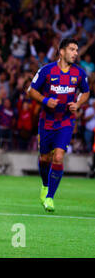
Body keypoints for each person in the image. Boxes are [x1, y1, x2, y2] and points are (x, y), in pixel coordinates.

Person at [27, 38, 90, 212]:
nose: (75, 53)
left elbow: (86, 92)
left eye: (76, 50)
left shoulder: (79, 73)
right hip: (46, 122)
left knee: (59, 157)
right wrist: (45, 100)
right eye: (72, 49)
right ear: (61, 51)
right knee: (45, 158)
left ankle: (50, 197)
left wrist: (77, 104)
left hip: (66, 121)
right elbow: (31, 90)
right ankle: (45, 185)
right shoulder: (46, 70)